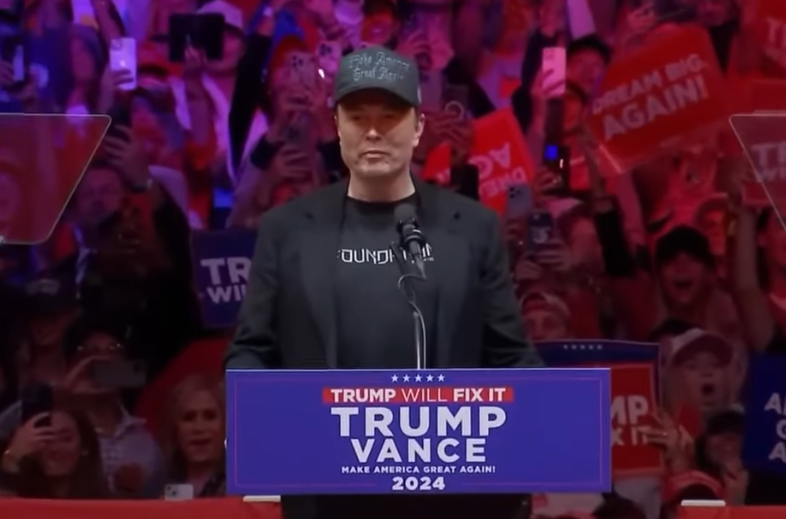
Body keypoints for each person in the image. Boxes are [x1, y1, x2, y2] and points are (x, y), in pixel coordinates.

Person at [225, 45, 542, 519]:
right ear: (337, 127)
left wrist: (544, 417)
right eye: (358, 117)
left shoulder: (474, 228)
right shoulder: (285, 229)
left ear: (417, 128)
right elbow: (251, 350)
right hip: (323, 495)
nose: (373, 131)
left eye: (390, 117)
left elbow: (511, 354)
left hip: (449, 497)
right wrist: (267, 415)